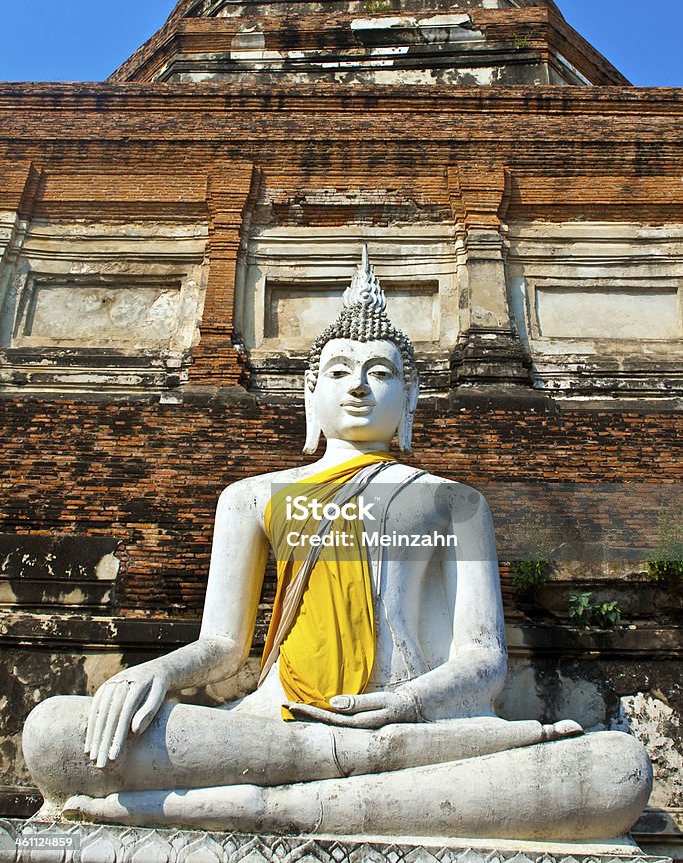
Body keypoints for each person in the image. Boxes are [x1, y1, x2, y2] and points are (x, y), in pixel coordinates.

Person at [23, 249, 652, 841]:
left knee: (618, 769)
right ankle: (311, 790)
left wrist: (402, 703)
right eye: (339, 371)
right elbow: (221, 647)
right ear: (310, 393)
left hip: (411, 728)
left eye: (382, 373)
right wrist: (154, 673)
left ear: (411, 397)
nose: (358, 386)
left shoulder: (453, 502)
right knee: (55, 734)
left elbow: (484, 661)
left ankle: (263, 806)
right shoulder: (252, 496)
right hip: (278, 725)